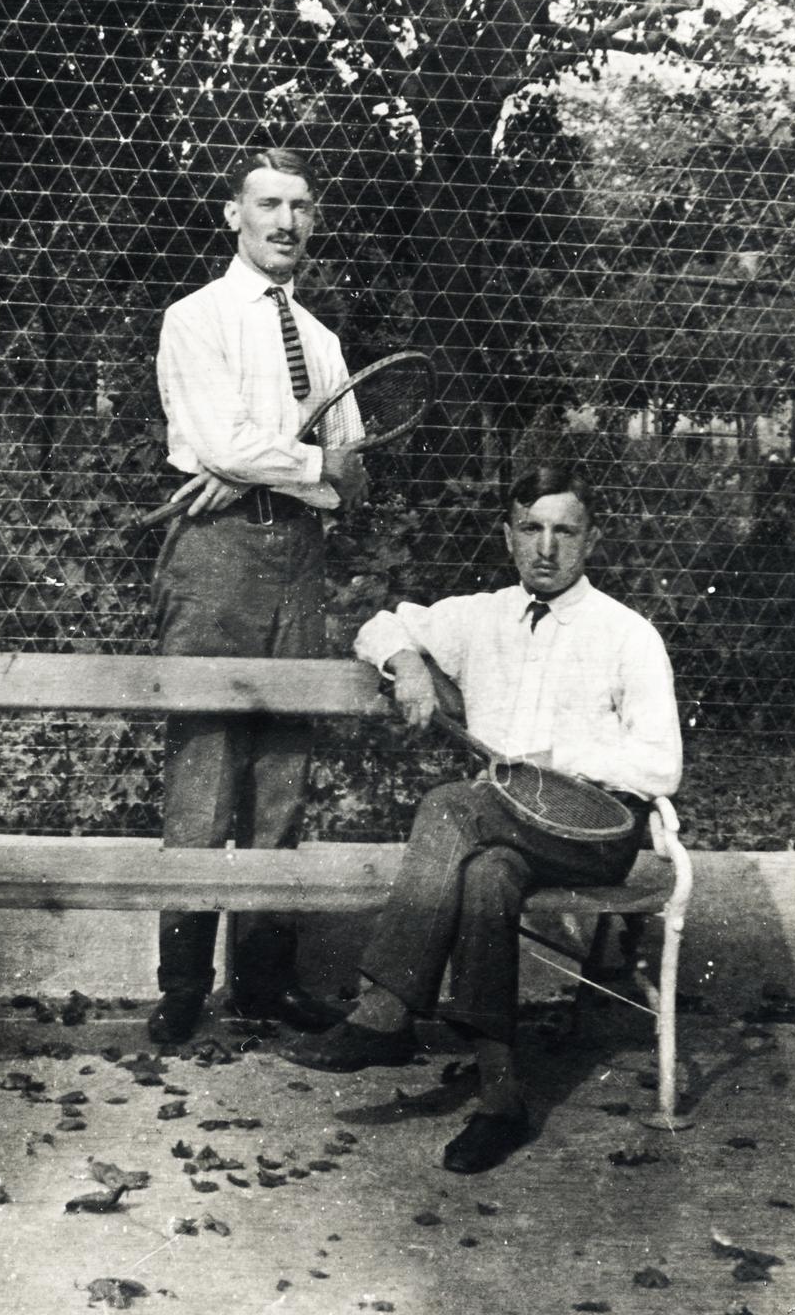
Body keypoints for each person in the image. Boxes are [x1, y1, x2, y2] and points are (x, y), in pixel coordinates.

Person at [282, 465, 681, 1174]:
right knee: (488, 876)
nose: (546, 548)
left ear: (590, 539)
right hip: (502, 830)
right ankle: (500, 1102)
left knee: (446, 805)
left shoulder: (627, 634)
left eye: (564, 530)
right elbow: (380, 623)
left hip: (595, 837)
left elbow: (660, 766)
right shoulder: (481, 615)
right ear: (508, 535)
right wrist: (406, 663)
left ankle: (386, 1010)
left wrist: (559, 758)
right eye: (531, 529)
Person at [147, 147, 368, 1047]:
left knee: (283, 771)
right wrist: (289, 465)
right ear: (231, 214)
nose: (285, 222)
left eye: (301, 206)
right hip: (215, 558)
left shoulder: (320, 340)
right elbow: (217, 439)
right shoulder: (193, 318)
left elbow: (353, 475)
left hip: (299, 560)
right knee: (204, 766)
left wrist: (256, 469)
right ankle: (182, 988)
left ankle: (263, 984)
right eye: (268, 204)